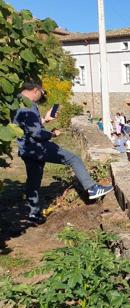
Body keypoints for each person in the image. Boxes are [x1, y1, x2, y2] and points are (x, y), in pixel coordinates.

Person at [13, 81, 112, 223]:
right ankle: (91, 188)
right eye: (41, 93)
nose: (41, 97)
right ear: (35, 90)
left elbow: (27, 126)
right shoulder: (28, 105)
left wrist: (45, 120)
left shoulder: (17, 102)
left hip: (25, 148)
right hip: (37, 147)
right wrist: (52, 134)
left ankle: (32, 214)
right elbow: (36, 133)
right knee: (73, 159)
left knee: (33, 181)